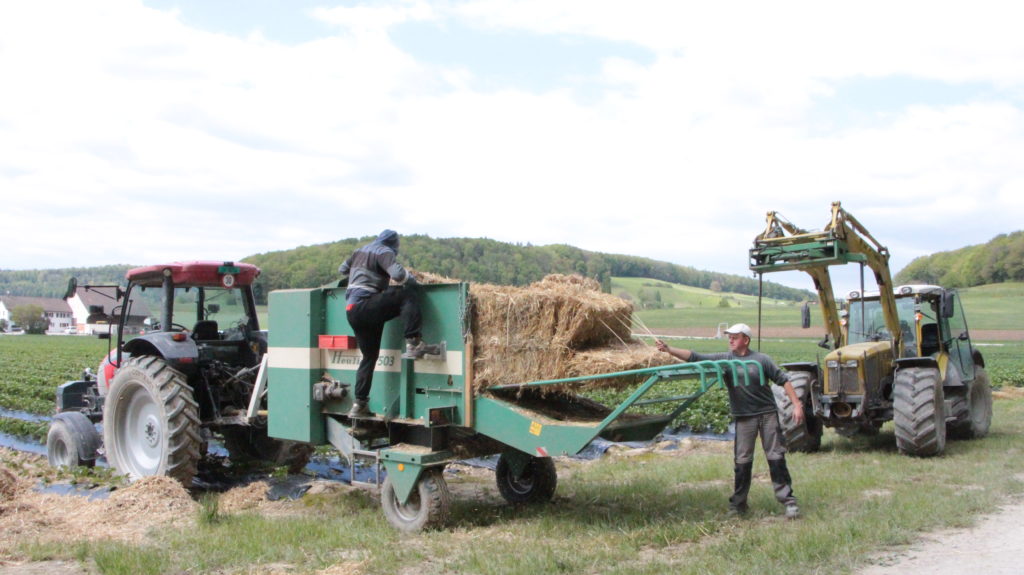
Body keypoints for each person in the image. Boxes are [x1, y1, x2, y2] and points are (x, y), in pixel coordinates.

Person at [656, 323, 804, 519]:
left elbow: (782, 379)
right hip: (744, 417)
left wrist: (797, 405)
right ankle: (738, 504)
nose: (730, 340)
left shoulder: (761, 360)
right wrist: (669, 349)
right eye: (729, 337)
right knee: (742, 460)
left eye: (735, 337)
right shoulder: (725, 359)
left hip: (767, 414)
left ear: (746, 340)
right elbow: (696, 357)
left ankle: (789, 501)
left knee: (775, 456)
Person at [338, 230, 435, 417]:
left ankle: (359, 404)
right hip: (366, 305)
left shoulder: (359, 251)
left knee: (369, 358)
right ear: (393, 244)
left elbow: (342, 270)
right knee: (407, 292)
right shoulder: (384, 252)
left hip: (352, 311)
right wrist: (414, 281)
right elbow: (398, 275)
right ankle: (413, 341)